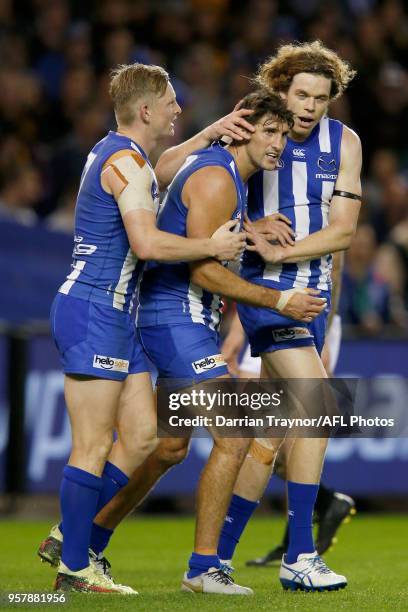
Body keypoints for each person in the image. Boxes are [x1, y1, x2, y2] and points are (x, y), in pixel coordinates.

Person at [47, 62, 249, 595]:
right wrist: (213, 246)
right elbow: (147, 245)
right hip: (92, 311)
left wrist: (210, 132)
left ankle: (70, 536)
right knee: (92, 445)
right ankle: (74, 563)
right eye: (171, 103)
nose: (178, 110)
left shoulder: (126, 155)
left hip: (115, 316)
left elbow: (158, 171)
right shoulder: (124, 162)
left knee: (141, 438)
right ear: (145, 110)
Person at [136, 89, 326, 595]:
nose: (280, 143)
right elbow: (203, 269)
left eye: (285, 135)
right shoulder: (219, 174)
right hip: (175, 315)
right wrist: (277, 300)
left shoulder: (228, 178)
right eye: (270, 130)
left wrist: (249, 229)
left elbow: (186, 203)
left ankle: (82, 540)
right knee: (240, 434)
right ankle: (205, 567)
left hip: (181, 318)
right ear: (242, 129)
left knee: (168, 448)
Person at [215, 40, 362, 592]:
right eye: (301, 94)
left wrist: (287, 252)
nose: (308, 107)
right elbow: (199, 186)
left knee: (271, 435)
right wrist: (255, 240)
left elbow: (343, 230)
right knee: (319, 406)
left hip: (314, 299)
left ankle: (213, 561)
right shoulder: (252, 125)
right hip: (266, 297)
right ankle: (300, 555)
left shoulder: (346, 142)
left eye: (320, 98)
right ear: (280, 90)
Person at [221, 252, 356, 567]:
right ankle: (305, 533)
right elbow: (254, 261)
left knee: (277, 433)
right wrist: (239, 333)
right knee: (267, 436)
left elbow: (334, 262)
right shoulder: (270, 210)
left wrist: (322, 339)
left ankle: (293, 547)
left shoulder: (321, 216)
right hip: (269, 308)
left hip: (306, 312)